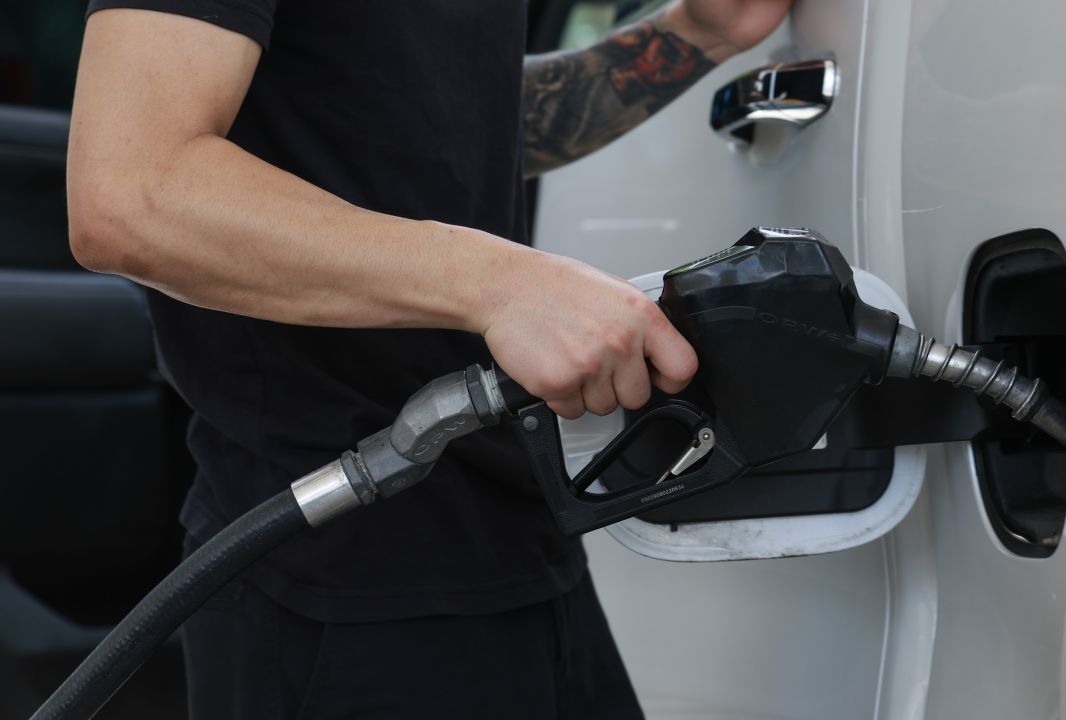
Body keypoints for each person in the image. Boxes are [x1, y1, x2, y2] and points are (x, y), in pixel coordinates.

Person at [67, 1, 791, 717]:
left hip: (513, 537)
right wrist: (500, 282)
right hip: (340, 571)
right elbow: (133, 194)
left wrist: (696, 33)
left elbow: (425, 123)